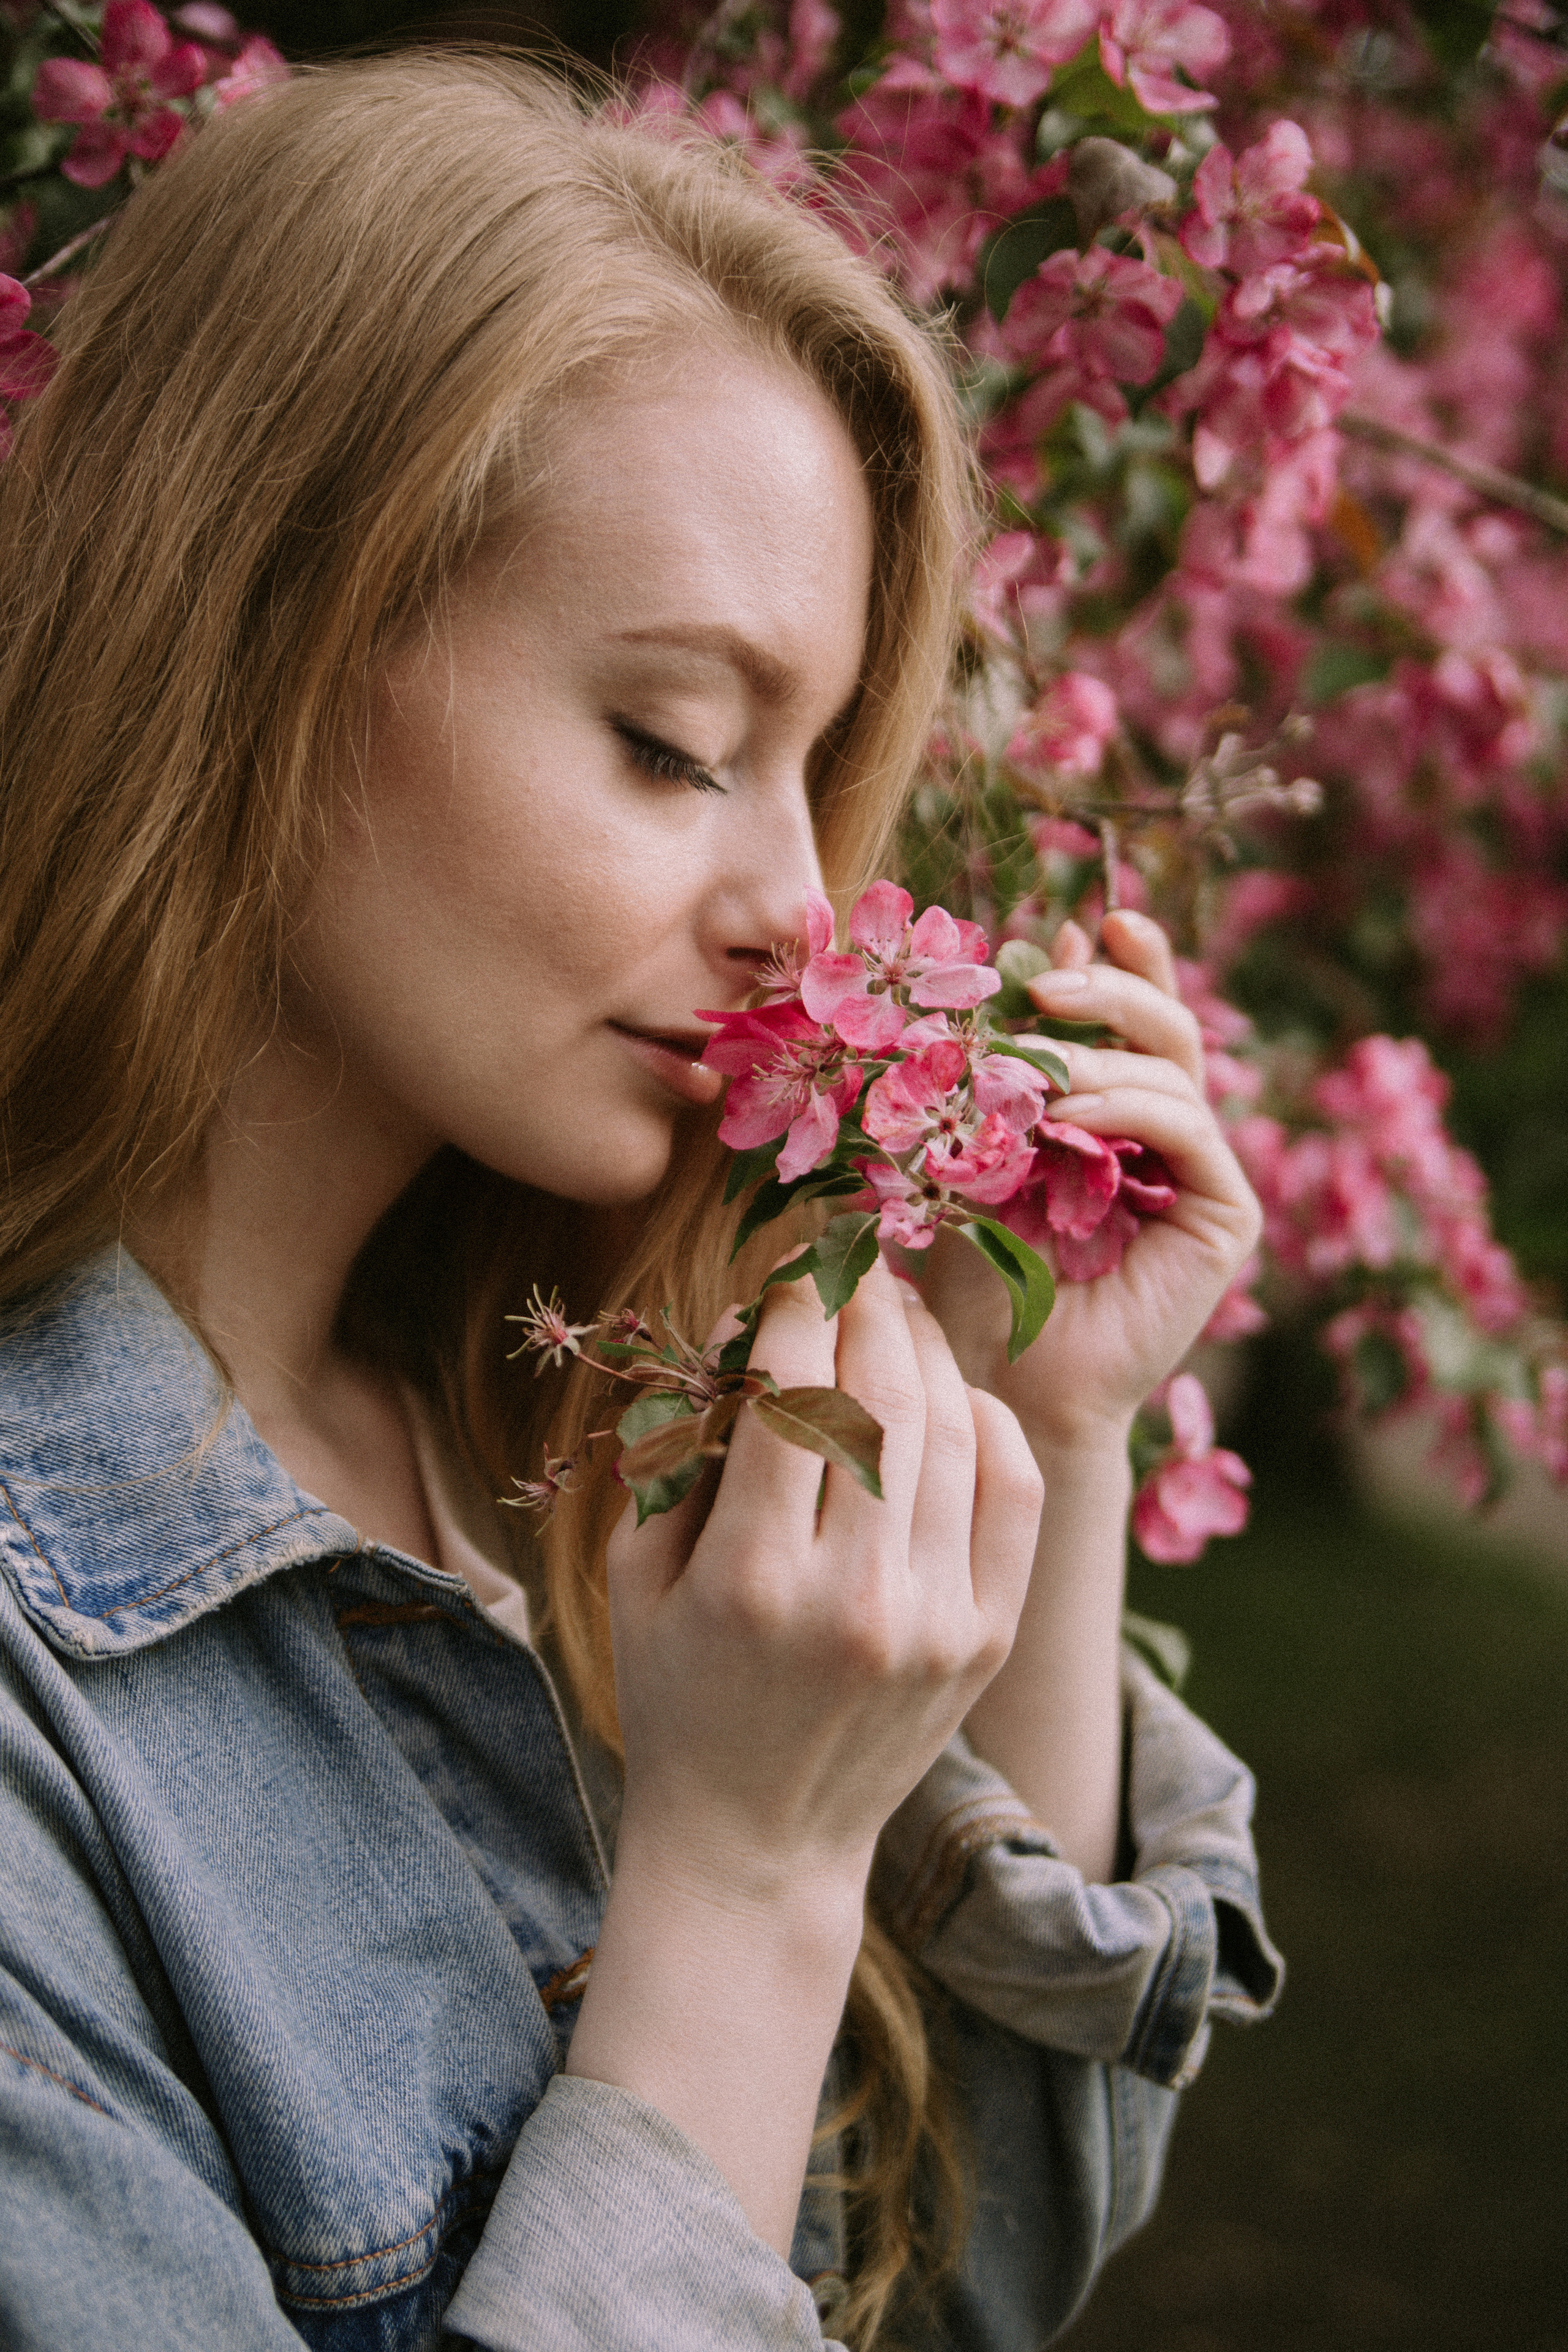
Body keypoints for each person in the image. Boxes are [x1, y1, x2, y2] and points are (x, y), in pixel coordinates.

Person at [0, 49, 1283, 2352]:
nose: (801, 900)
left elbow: (965, 2268)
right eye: (675, 743)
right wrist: (754, 1864)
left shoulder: (568, 1439)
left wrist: (1066, 1443)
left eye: (814, 769)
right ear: (262, 638)